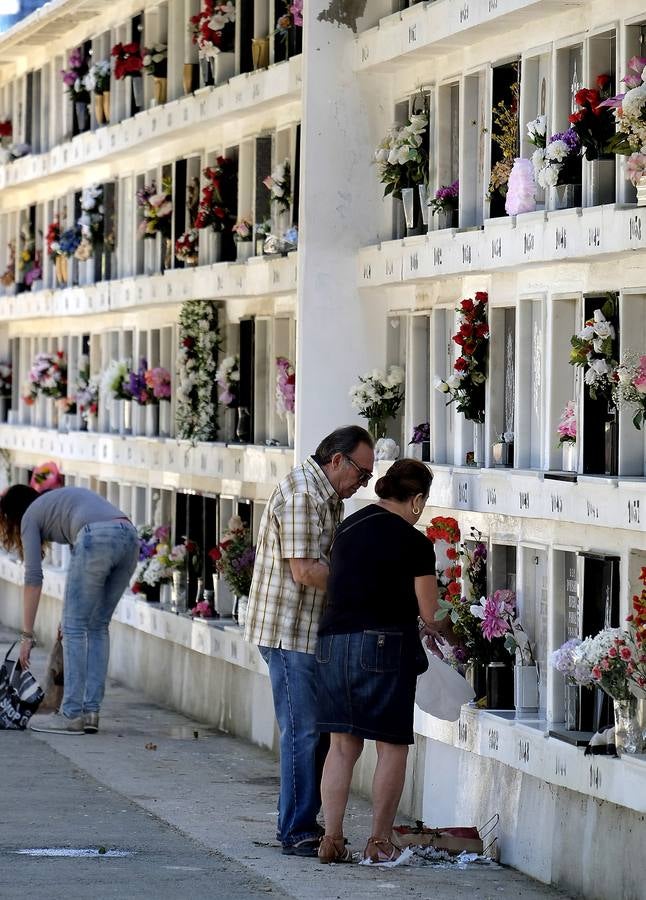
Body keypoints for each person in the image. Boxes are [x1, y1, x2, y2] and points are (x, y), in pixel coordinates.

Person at [244, 425, 374, 857]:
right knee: (303, 732)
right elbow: (305, 570)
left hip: (306, 631)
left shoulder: (326, 496)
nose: (362, 484)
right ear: (336, 460)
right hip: (287, 632)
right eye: (361, 472)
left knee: (314, 732)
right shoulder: (304, 494)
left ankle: (302, 820)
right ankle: (297, 829)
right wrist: (366, 587)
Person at [315, 458, 451, 864]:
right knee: (391, 746)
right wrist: (460, 632)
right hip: (382, 645)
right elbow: (431, 615)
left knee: (341, 746)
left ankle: (333, 839)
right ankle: (377, 842)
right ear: (418, 500)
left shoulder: (349, 527)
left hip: (332, 643)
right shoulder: (414, 543)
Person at [0, 484, 139, 735]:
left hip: (96, 536)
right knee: (97, 626)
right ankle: (91, 712)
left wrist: (26, 636)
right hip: (129, 536)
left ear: (12, 515)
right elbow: (83, 556)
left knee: (75, 628)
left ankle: (72, 714)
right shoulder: (59, 502)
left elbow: (33, 578)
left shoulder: (31, 515)